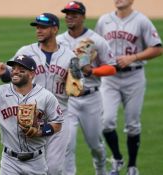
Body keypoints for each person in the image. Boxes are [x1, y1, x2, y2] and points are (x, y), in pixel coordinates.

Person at [0, 13, 76, 174]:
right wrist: (2, 72)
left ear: (55, 29)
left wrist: (77, 81)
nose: (38, 30)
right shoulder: (26, 52)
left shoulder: (70, 56)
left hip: (59, 117)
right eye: (37, 27)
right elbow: (10, 75)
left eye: (43, 27)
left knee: (54, 169)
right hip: (30, 117)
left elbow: (77, 89)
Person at [95, 0, 162, 174]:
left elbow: (157, 48)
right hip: (110, 78)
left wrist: (133, 58)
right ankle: (117, 159)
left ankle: (132, 166)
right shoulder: (104, 20)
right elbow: (95, 47)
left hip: (134, 77)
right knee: (106, 122)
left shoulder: (141, 20)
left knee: (132, 125)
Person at [0, 55, 63, 175]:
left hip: (36, 162)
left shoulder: (46, 96)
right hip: (10, 162)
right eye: (13, 69)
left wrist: (40, 132)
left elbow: (57, 124)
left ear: (32, 74)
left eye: (21, 69)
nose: (15, 72)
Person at [56, 1, 117, 175]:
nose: (69, 17)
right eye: (67, 14)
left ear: (83, 17)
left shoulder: (96, 40)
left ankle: (100, 169)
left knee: (95, 145)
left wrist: (92, 71)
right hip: (67, 100)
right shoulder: (58, 41)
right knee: (67, 144)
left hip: (91, 99)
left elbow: (112, 67)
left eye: (74, 14)